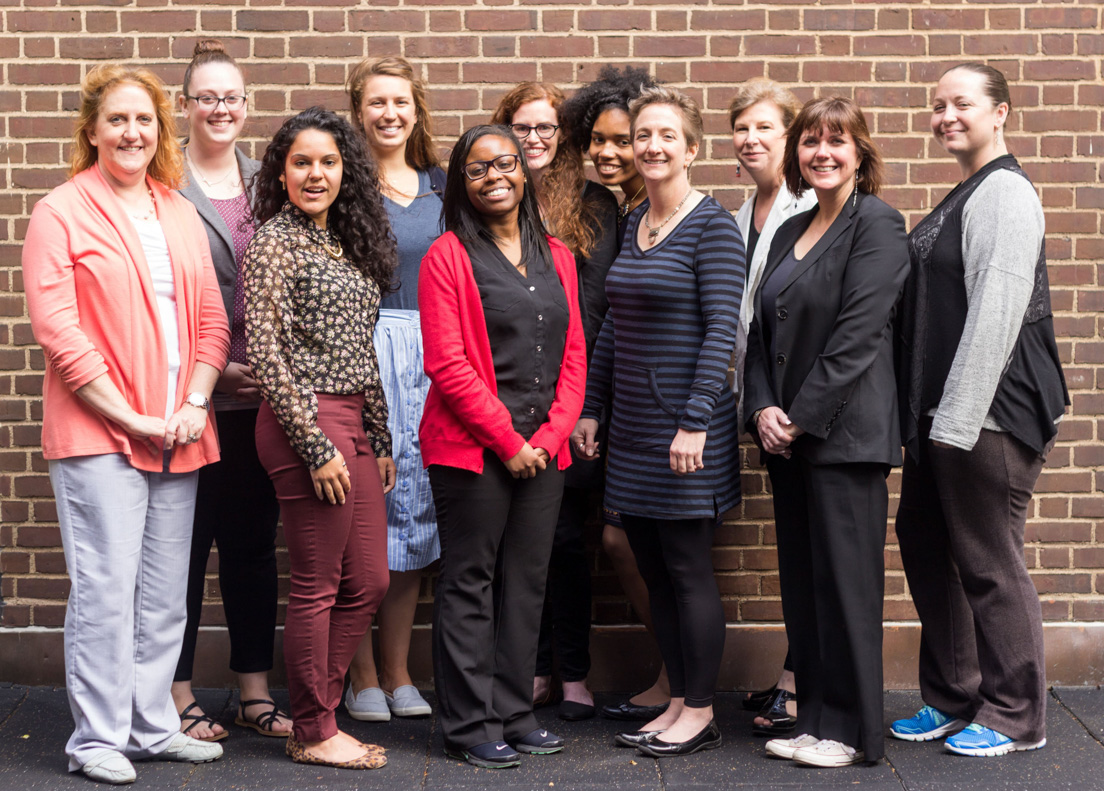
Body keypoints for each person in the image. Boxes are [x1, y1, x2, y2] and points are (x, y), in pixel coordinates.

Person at [22, 63, 229, 784]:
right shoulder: (60, 210)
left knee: (166, 590)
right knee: (107, 587)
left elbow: (211, 321)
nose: (132, 131)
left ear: (160, 130)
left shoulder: (177, 208)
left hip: (179, 429)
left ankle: (151, 723)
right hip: (100, 434)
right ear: (92, 131)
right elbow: (61, 331)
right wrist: (132, 414)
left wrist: (193, 404)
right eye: (117, 119)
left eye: (144, 120)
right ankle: (97, 738)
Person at [890, 63, 1068, 758]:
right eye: (938, 105)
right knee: (927, 546)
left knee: (989, 561)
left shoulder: (1005, 194)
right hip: (944, 418)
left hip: (985, 417)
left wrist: (957, 424)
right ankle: (953, 694)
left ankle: (1018, 712)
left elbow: (996, 311)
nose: (945, 115)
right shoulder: (967, 191)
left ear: (1000, 113)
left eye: (961, 102)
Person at [573, 86, 744, 758]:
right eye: (643, 134)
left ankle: (700, 708)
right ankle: (676, 698)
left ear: (692, 148)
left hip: (686, 430)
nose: (649, 145)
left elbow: (719, 330)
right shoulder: (640, 220)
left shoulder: (712, 225)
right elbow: (615, 322)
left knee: (686, 567)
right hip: (635, 433)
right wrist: (592, 406)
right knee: (651, 563)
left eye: (665, 135)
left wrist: (696, 419)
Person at [743, 97, 909, 768]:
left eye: (836, 142)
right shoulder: (792, 228)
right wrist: (760, 408)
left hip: (844, 438)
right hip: (786, 439)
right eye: (810, 141)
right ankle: (813, 718)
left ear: (860, 153)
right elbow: (760, 331)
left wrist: (801, 416)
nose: (822, 153)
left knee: (846, 588)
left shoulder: (879, 225)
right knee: (804, 590)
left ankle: (853, 730)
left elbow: (858, 335)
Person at [419, 124, 588, 768]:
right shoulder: (447, 256)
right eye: (478, 168)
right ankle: (467, 724)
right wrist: (508, 441)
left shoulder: (560, 256)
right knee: (470, 583)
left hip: (544, 452)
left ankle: (515, 712)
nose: (495, 176)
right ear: (462, 183)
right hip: (471, 450)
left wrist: (545, 439)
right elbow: (449, 364)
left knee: (526, 583)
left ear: (524, 172)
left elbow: (574, 354)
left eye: (506, 164)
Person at [244, 107, 397, 770]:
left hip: (355, 417)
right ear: (283, 168)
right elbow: (268, 350)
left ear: (346, 171)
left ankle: (317, 713)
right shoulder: (276, 240)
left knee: (369, 578)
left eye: (328, 161)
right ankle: (314, 726)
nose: (315, 173)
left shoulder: (347, 238)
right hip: (303, 419)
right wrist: (314, 443)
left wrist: (380, 432)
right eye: (302, 161)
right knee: (318, 583)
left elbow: (362, 345)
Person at [171, 38, 290, 743]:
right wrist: (208, 372)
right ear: (185, 106)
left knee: (252, 543)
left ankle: (251, 687)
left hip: (258, 402)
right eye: (206, 96)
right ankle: (179, 688)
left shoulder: (265, 182)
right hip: (188, 400)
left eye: (231, 96)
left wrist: (268, 369)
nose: (220, 106)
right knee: (182, 548)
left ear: (247, 107)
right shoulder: (161, 184)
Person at [491, 82, 618, 722]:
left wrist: (581, 404)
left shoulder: (593, 205)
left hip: (572, 401)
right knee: (517, 542)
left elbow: (593, 311)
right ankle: (531, 668)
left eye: (546, 127)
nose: (534, 138)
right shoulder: (491, 198)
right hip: (505, 400)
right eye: (523, 126)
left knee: (567, 540)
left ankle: (573, 672)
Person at [559, 66, 673, 723]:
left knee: (641, 542)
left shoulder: (666, 209)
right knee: (618, 541)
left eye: (622, 140)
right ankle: (675, 670)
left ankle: (681, 675)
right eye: (597, 140)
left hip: (656, 401)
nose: (607, 152)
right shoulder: (606, 210)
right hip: (611, 398)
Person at [343, 55, 445, 724]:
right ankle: (361, 675)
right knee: (361, 514)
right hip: (364, 349)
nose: (389, 113)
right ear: (358, 112)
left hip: (433, 357)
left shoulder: (441, 184)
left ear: (416, 109)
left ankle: (401, 669)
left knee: (415, 515)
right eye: (376, 102)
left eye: (399, 102)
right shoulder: (344, 185)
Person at [728, 78, 817, 738]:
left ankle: (801, 679)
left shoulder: (814, 206)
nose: (750, 138)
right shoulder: (741, 214)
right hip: (763, 406)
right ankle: (798, 667)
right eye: (741, 127)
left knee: (819, 548)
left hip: (809, 409)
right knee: (796, 546)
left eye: (765, 127)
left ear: (790, 137)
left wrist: (790, 407)